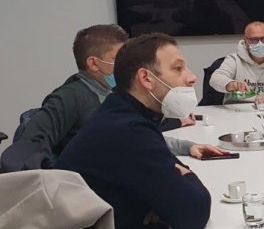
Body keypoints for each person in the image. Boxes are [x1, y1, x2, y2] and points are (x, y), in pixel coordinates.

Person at [56, 33, 221, 229]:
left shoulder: (122, 112)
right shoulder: (128, 130)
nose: (192, 77)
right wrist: (182, 177)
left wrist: (172, 182)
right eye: (178, 69)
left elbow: (170, 171)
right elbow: (194, 212)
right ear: (146, 78)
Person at [2, 25, 197, 172]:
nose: (127, 65)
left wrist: (185, 146)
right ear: (94, 64)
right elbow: (28, 147)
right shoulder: (69, 97)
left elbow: (138, 137)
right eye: (119, 59)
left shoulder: (112, 95)